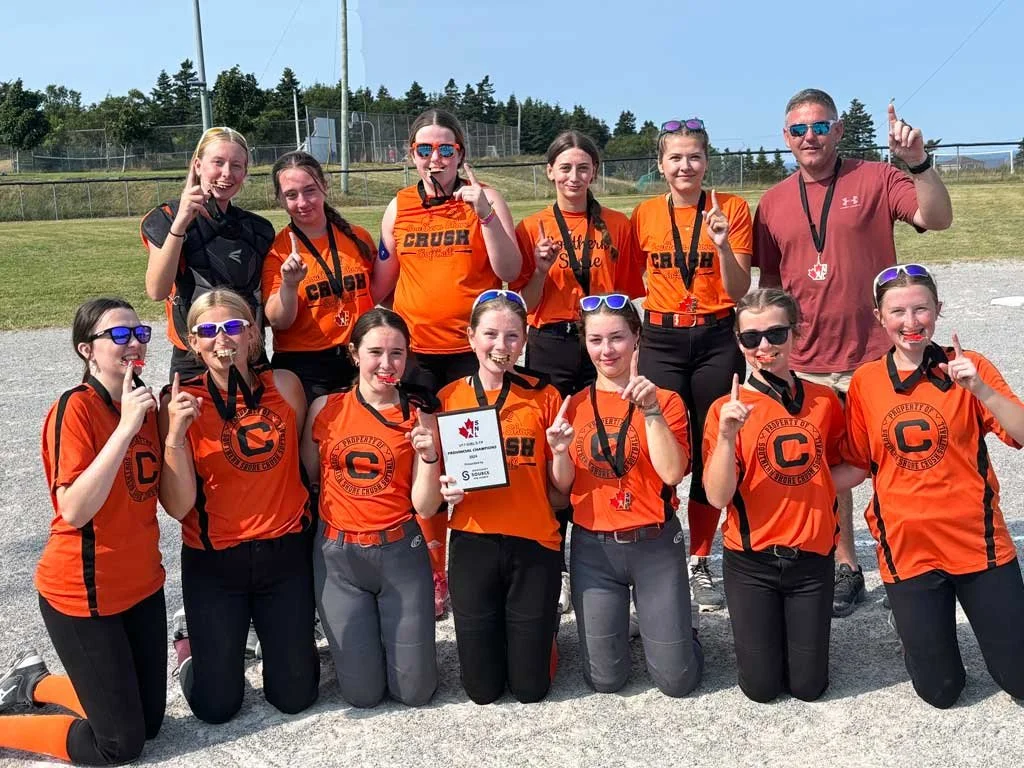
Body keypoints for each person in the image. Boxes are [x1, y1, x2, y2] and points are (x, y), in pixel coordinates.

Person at [753, 88, 953, 617]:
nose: (809, 137)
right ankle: (846, 565)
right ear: (785, 138)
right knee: (827, 465)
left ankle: (910, 556)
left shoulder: (876, 177)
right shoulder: (772, 201)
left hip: (873, 355)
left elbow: (937, 218)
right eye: (798, 130)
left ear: (839, 131)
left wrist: (919, 163)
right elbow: (772, 285)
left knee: (900, 455)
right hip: (809, 359)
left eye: (820, 126)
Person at [841, 264, 1024, 708]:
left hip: (977, 544)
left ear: (938, 310)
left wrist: (981, 390)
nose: (911, 322)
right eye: (898, 311)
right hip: (909, 548)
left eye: (921, 308)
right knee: (941, 691)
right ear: (878, 317)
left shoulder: (970, 366)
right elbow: (856, 465)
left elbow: (1020, 433)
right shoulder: (866, 381)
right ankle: (910, 627)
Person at [0, 299, 165, 764]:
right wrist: (127, 427)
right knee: (117, 744)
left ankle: (34, 681)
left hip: (141, 587)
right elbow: (73, 508)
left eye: (139, 333)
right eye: (117, 336)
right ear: (86, 350)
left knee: (151, 724)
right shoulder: (74, 409)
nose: (133, 343)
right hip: (83, 595)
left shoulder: (146, 404)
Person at [379, 108, 521, 618]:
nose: (435, 159)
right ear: (410, 155)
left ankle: (480, 560)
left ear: (461, 154)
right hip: (418, 355)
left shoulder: (484, 200)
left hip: (469, 353)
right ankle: (436, 569)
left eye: (445, 149)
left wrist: (484, 213)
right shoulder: (399, 207)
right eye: (424, 150)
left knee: (474, 458)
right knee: (428, 458)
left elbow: (510, 271)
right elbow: (380, 285)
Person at [158, 289, 319, 724]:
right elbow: (177, 506)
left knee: (295, 697)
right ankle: (189, 646)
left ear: (252, 334)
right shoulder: (176, 402)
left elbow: (308, 467)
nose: (221, 338)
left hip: (284, 556)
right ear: (192, 342)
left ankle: (266, 636)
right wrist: (175, 435)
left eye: (232, 326)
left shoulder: (284, 386)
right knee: (216, 707)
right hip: (215, 563)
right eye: (207, 331)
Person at [703, 289, 859, 702]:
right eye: (751, 338)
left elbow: (855, 467)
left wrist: (811, 481)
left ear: (795, 334)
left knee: (810, 687)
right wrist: (725, 437)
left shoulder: (825, 400)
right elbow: (718, 496)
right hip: (752, 561)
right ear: (739, 343)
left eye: (775, 333)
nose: (764, 346)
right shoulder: (726, 409)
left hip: (811, 559)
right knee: (761, 689)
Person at [514, 131, 645, 613]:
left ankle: (616, 543)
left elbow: (630, 295)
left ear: (594, 172)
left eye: (583, 168)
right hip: (550, 343)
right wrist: (541, 270)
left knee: (609, 438)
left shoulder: (616, 223)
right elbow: (523, 304)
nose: (574, 177)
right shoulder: (531, 228)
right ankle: (559, 559)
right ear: (549, 171)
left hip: (602, 341)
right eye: (564, 168)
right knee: (557, 444)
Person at [549, 293, 703, 696]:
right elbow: (562, 490)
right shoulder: (575, 405)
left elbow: (673, 472)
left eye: (616, 337)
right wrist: (561, 452)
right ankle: (637, 622)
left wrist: (651, 410)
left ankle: (681, 628)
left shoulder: (665, 399)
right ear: (585, 343)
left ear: (637, 338)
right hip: (594, 548)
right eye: (596, 340)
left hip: (653, 543)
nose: (606, 350)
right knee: (605, 680)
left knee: (676, 681)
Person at [630, 118, 753, 611]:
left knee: (710, 446)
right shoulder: (644, 214)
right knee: (659, 442)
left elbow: (740, 290)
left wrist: (721, 243)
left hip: (716, 335)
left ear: (707, 162)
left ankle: (701, 557)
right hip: (660, 338)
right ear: (660, 165)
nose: (685, 165)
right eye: (675, 157)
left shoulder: (733, 209)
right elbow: (624, 284)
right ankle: (658, 548)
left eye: (694, 156)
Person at [300, 308, 442, 708]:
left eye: (397, 353)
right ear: (354, 353)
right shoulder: (325, 408)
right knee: (362, 696)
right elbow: (310, 478)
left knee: (415, 693)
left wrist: (429, 458)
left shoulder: (419, 415)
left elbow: (426, 507)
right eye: (375, 351)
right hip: (338, 556)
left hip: (399, 552)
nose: (386, 363)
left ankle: (392, 640)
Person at [438, 290, 563, 704]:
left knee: (530, 689)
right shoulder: (446, 398)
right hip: (474, 539)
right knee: (482, 691)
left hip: (533, 540)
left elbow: (561, 489)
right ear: (471, 336)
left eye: (512, 337)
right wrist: (445, 487)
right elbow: (432, 480)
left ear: (525, 340)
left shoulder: (544, 395)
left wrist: (560, 451)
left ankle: (541, 636)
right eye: (490, 334)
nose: (501, 346)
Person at [142, 126, 275, 382]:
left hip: (248, 353)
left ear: (245, 172)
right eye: (218, 162)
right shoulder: (166, 217)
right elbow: (157, 290)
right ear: (198, 165)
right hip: (195, 357)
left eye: (237, 165)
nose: (227, 173)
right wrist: (180, 223)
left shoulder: (258, 229)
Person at [264, 150, 387, 403]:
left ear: (325, 186)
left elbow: (382, 292)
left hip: (359, 356)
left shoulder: (357, 237)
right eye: (291, 195)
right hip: (305, 366)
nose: (302, 202)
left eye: (310, 190)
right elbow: (278, 321)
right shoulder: (278, 251)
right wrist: (289, 283)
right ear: (279, 199)